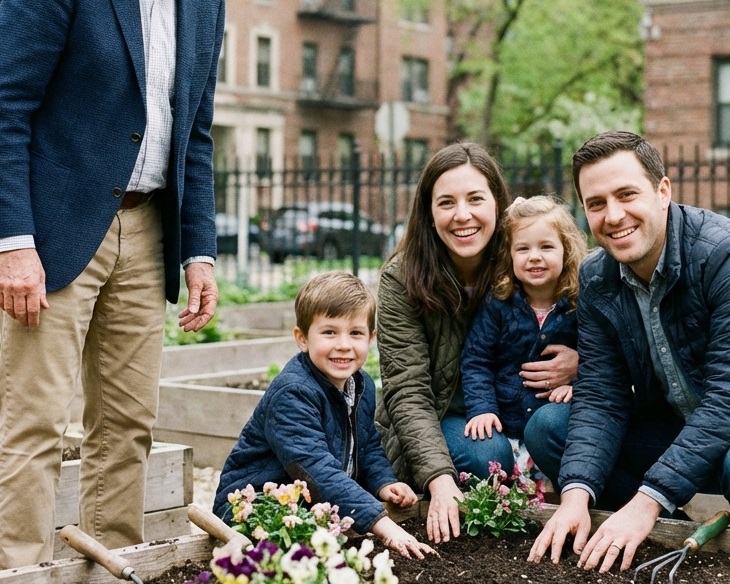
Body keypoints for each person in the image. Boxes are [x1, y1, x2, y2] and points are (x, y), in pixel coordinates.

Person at [0, 0, 233, 569]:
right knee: (37, 419)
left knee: (128, 421)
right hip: (51, 234)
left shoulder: (206, 0)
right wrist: (11, 242)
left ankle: (110, 572)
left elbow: (193, 137)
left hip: (147, 235)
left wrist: (200, 250)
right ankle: (18, 583)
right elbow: (2, 108)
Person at [529, 131, 730, 572]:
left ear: (662, 191)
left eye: (627, 194)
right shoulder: (597, 278)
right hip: (685, 425)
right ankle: (668, 537)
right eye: (596, 203)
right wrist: (574, 495)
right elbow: (602, 395)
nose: (613, 215)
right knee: (551, 427)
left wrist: (645, 498)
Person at [375, 143, 579, 544]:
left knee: (555, 425)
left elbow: (585, 312)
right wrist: (438, 479)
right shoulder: (402, 277)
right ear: (429, 213)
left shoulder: (524, 255)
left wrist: (577, 363)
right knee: (487, 460)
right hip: (447, 415)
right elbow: (408, 390)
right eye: (446, 202)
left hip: (526, 406)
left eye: (475, 199)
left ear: (497, 205)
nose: (462, 215)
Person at [213, 272, 434, 558]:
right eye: (330, 332)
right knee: (289, 561)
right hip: (255, 508)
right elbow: (316, 469)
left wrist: (384, 483)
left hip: (308, 504)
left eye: (355, 333)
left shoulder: (361, 386)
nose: (344, 344)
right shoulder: (293, 393)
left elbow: (366, 447)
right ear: (302, 339)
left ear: (371, 339)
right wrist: (382, 524)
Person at [460, 195, 588, 490]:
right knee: (510, 494)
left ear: (565, 251)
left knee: (554, 487)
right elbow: (476, 360)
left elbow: (599, 356)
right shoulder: (498, 304)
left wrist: (575, 384)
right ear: (510, 255)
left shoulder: (579, 305)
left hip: (554, 421)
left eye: (546, 247)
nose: (534, 256)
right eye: (523, 248)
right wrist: (482, 409)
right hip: (506, 421)